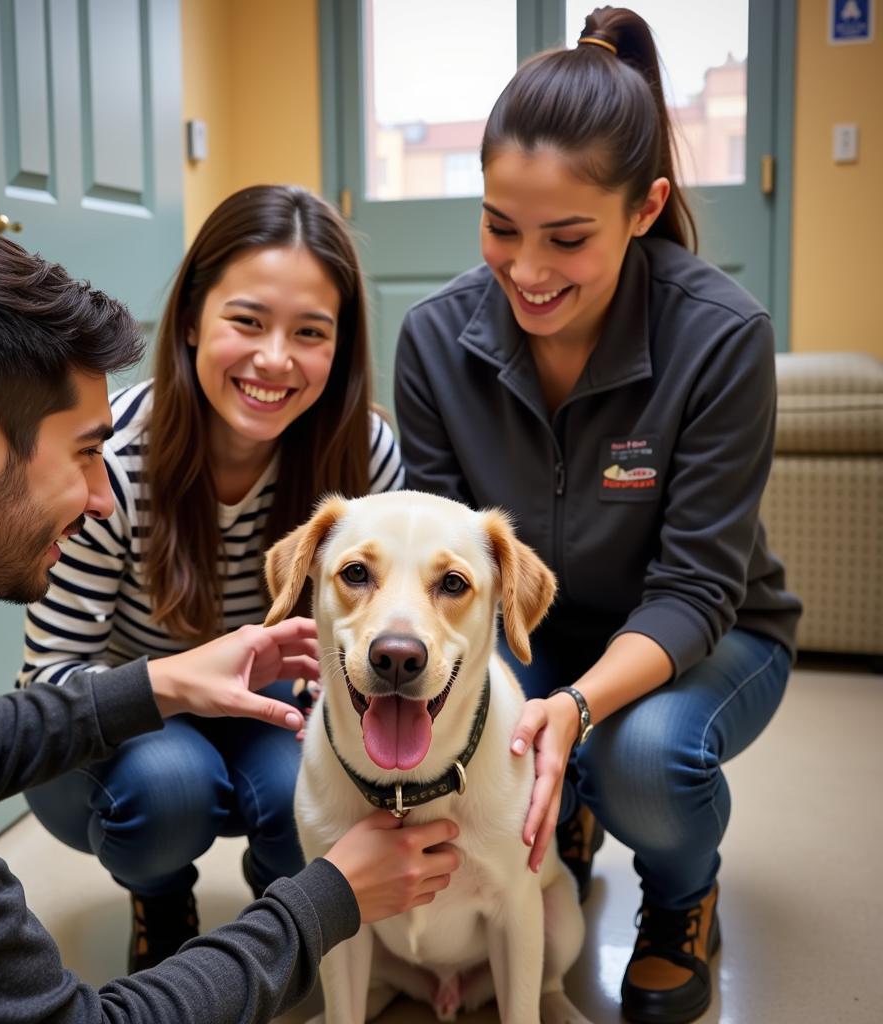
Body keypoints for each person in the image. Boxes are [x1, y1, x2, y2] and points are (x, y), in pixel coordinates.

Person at [0, 223, 461, 1023]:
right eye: (82, 454)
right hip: (141, 775)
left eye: (311, 331)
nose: (103, 497)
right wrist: (326, 899)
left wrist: (165, 680)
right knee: (168, 786)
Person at [393, 8, 801, 1024]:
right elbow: (450, 569)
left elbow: (697, 585)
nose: (527, 271)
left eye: (567, 237)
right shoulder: (432, 341)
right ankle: (560, 814)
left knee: (644, 761)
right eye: (499, 227)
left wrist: (570, 713)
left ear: (643, 206)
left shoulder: (722, 337)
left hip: (709, 633)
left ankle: (677, 899)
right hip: (525, 629)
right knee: (456, 721)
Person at [17, 184, 406, 972]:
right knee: (171, 785)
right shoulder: (114, 458)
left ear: (341, 346)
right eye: (247, 321)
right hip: (139, 713)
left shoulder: (364, 457)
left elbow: (381, 632)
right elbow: (50, 679)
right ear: (192, 319)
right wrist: (179, 684)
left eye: (310, 332)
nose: (274, 359)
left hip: (279, 712)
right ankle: (161, 900)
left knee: (310, 784)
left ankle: (286, 911)